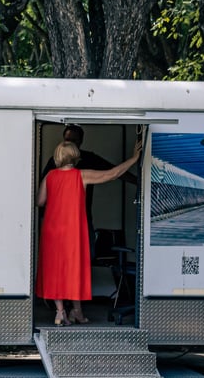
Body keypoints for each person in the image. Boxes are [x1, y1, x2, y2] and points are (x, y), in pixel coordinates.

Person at [36, 139, 142, 326]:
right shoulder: (81, 175)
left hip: (52, 230)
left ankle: (61, 312)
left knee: (55, 269)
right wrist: (134, 158)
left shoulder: (50, 176)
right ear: (75, 155)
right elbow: (112, 174)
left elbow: (40, 201)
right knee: (75, 269)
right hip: (73, 231)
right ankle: (76, 311)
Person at [41, 124, 137, 259]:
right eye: (67, 140)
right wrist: (134, 159)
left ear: (80, 141)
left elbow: (112, 172)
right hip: (65, 222)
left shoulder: (85, 160)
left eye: (74, 140)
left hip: (79, 220)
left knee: (73, 258)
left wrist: (138, 182)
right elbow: (112, 174)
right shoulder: (75, 172)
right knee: (76, 259)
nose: (70, 144)